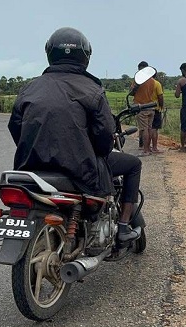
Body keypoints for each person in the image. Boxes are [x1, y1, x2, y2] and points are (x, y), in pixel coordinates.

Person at [8, 27, 141, 242]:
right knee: (133, 164)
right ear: (85, 56)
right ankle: (124, 226)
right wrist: (95, 150)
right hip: (79, 170)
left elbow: (16, 128)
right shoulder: (92, 89)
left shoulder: (29, 88)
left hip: (30, 167)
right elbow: (105, 136)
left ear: (50, 53)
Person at [130, 62, 162, 156]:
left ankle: (146, 150)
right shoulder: (153, 81)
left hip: (141, 107)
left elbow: (131, 93)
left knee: (144, 130)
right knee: (149, 128)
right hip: (151, 107)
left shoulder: (137, 81)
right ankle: (149, 148)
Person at [149, 71, 165, 153]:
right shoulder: (157, 84)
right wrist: (161, 106)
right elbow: (160, 96)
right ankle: (154, 147)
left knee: (146, 129)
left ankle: (146, 147)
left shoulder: (143, 83)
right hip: (155, 108)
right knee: (154, 129)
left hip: (144, 108)